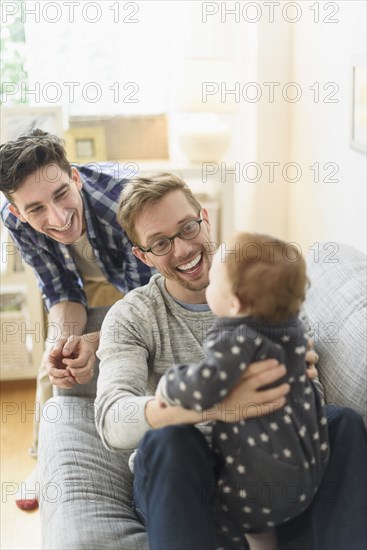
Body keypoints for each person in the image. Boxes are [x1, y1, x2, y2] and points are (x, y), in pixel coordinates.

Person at [96, 172, 366, 549]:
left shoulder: (265, 288)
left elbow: (313, 396)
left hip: (271, 475)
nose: (182, 249)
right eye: (160, 243)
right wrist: (215, 406)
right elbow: (112, 418)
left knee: (343, 424)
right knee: (169, 438)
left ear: (204, 218)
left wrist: (294, 385)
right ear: (142, 256)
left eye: (187, 228)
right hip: (189, 487)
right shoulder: (133, 317)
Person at [0, 129, 154, 509]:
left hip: (145, 278)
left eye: (60, 195)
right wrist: (66, 345)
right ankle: (45, 458)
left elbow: (146, 301)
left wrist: (97, 341)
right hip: (86, 277)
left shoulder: (125, 200)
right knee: (53, 359)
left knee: (133, 351)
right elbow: (61, 291)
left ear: (75, 177)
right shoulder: (15, 220)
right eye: (36, 209)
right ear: (18, 211)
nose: (57, 217)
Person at [155, 232, 329, 550]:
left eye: (214, 283)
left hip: (257, 486)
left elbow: (204, 386)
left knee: (222, 510)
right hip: (307, 473)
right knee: (262, 524)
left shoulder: (236, 338)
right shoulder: (291, 328)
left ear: (234, 303)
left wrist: (170, 383)